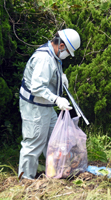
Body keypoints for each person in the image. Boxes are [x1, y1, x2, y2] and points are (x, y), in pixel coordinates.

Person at [18, 28, 81, 180]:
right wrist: (57, 99)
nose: (67, 56)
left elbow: (50, 72)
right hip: (35, 107)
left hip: (45, 106)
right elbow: (37, 87)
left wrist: (61, 76)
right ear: (61, 46)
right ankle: (25, 180)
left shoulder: (53, 54)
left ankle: (54, 174)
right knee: (33, 144)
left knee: (55, 139)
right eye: (68, 52)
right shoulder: (44, 58)